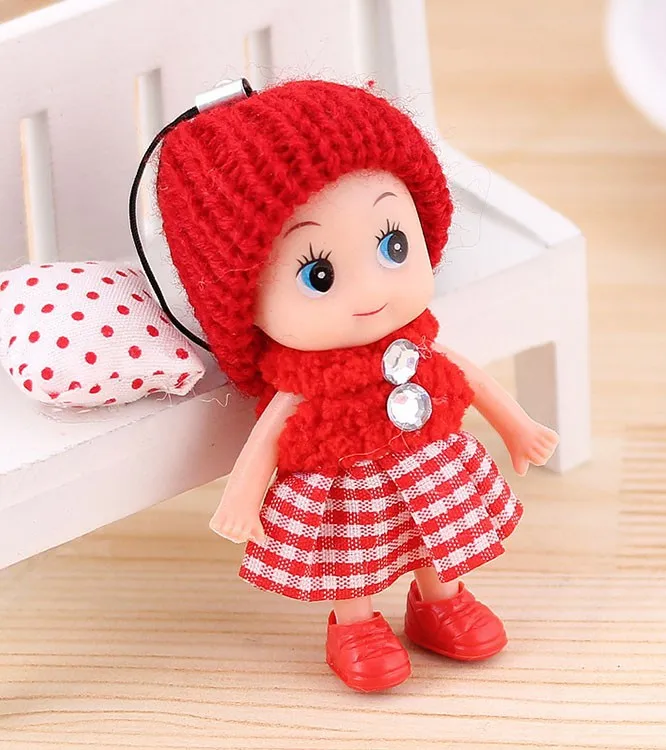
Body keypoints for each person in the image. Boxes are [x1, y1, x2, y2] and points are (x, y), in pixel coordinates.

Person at [156, 80, 558, 692]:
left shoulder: (417, 346)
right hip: (343, 484)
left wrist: (518, 427)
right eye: (318, 275)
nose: (371, 291)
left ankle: (439, 600)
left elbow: (467, 377)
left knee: (436, 533)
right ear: (241, 302)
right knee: (351, 556)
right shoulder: (305, 384)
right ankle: (355, 625)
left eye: (393, 245)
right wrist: (242, 496)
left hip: (426, 460)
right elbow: (270, 433)